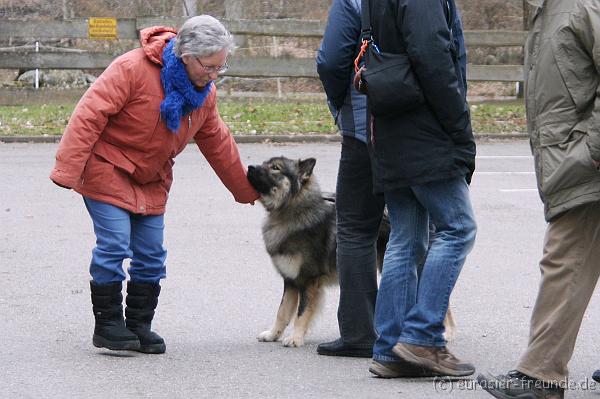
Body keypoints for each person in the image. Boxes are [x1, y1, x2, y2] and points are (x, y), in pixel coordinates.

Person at [49, 15, 259, 354]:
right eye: (209, 66)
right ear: (187, 56)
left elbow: (217, 141)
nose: (214, 74)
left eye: (220, 67)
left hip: (152, 177)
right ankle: (108, 325)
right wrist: (67, 169)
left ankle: (138, 326)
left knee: (151, 255)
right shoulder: (132, 68)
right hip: (108, 167)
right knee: (116, 244)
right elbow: (90, 114)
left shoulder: (205, 94)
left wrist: (246, 189)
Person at [477, 1, 600, 397]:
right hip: (575, 160)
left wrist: (591, 148)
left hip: (586, 165)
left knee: (564, 258)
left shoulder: (580, 7)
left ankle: (541, 375)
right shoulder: (545, 12)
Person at [365, 0, 477, 378]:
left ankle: (391, 350)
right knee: (458, 228)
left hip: (390, 128)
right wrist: (460, 128)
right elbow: (433, 59)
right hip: (426, 131)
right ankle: (423, 337)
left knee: (406, 239)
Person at [316, 0, 386, 358]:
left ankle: (360, 333)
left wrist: (339, 101)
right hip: (418, 128)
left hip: (363, 127)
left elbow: (331, 61)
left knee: (356, 229)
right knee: (413, 228)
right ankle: (413, 330)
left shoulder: (353, 1)